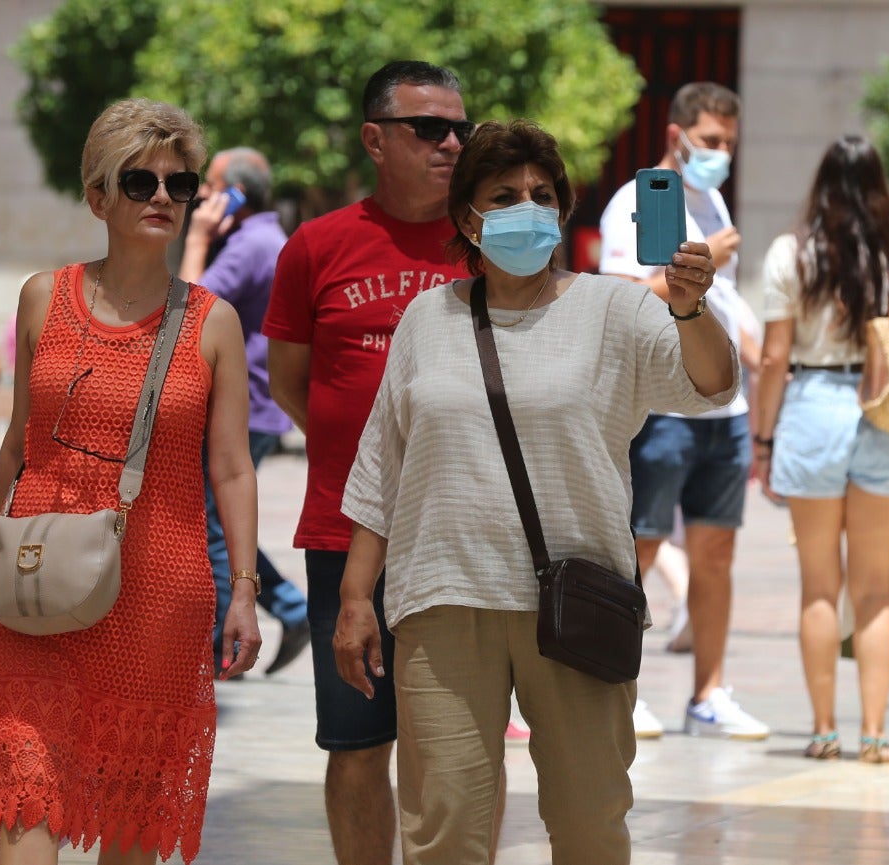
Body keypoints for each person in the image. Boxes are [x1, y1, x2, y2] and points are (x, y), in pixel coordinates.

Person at [334, 118, 736, 865]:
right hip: (443, 598)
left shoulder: (616, 309)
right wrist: (357, 596)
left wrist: (688, 306)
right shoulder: (428, 317)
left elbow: (711, 385)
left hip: (575, 603)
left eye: (542, 194)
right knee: (444, 830)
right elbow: (384, 466)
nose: (528, 207)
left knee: (590, 826)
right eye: (505, 194)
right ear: (467, 218)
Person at [0, 98, 261, 863]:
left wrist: (242, 592)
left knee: (130, 823)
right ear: (99, 197)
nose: (163, 198)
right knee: (26, 795)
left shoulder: (212, 322)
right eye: (140, 182)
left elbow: (231, 466)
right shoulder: (45, 296)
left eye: (181, 183)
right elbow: (16, 446)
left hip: (158, 599)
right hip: (38, 587)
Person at [262, 61, 480, 865]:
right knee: (356, 743)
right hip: (342, 534)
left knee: (453, 746)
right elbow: (290, 381)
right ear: (375, 138)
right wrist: (366, 465)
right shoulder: (315, 246)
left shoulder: (487, 243)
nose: (451, 143)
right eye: (429, 129)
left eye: (460, 128)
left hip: (465, 538)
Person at [752, 135, 889, 763]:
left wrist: (763, 439)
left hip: (812, 408)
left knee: (819, 588)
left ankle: (824, 730)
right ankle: (876, 734)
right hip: (884, 410)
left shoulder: (791, 254)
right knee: (875, 589)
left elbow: (775, 357)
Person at [597, 81, 767, 741]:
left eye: (729, 142)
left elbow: (718, 301)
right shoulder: (633, 203)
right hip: (661, 403)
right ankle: (620, 685)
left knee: (716, 552)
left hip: (723, 407)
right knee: (637, 547)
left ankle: (709, 693)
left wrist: (756, 354)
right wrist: (707, 261)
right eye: (710, 141)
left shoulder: (712, 197)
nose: (721, 154)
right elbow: (621, 296)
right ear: (676, 134)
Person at [177, 146, 311, 678]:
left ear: (236, 193)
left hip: (243, 407)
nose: (203, 196)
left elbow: (188, 310)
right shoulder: (264, 240)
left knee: (212, 524)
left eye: (209, 186)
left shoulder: (251, 245)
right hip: (257, 403)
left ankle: (221, 644)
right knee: (222, 522)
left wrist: (196, 237)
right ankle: (289, 610)